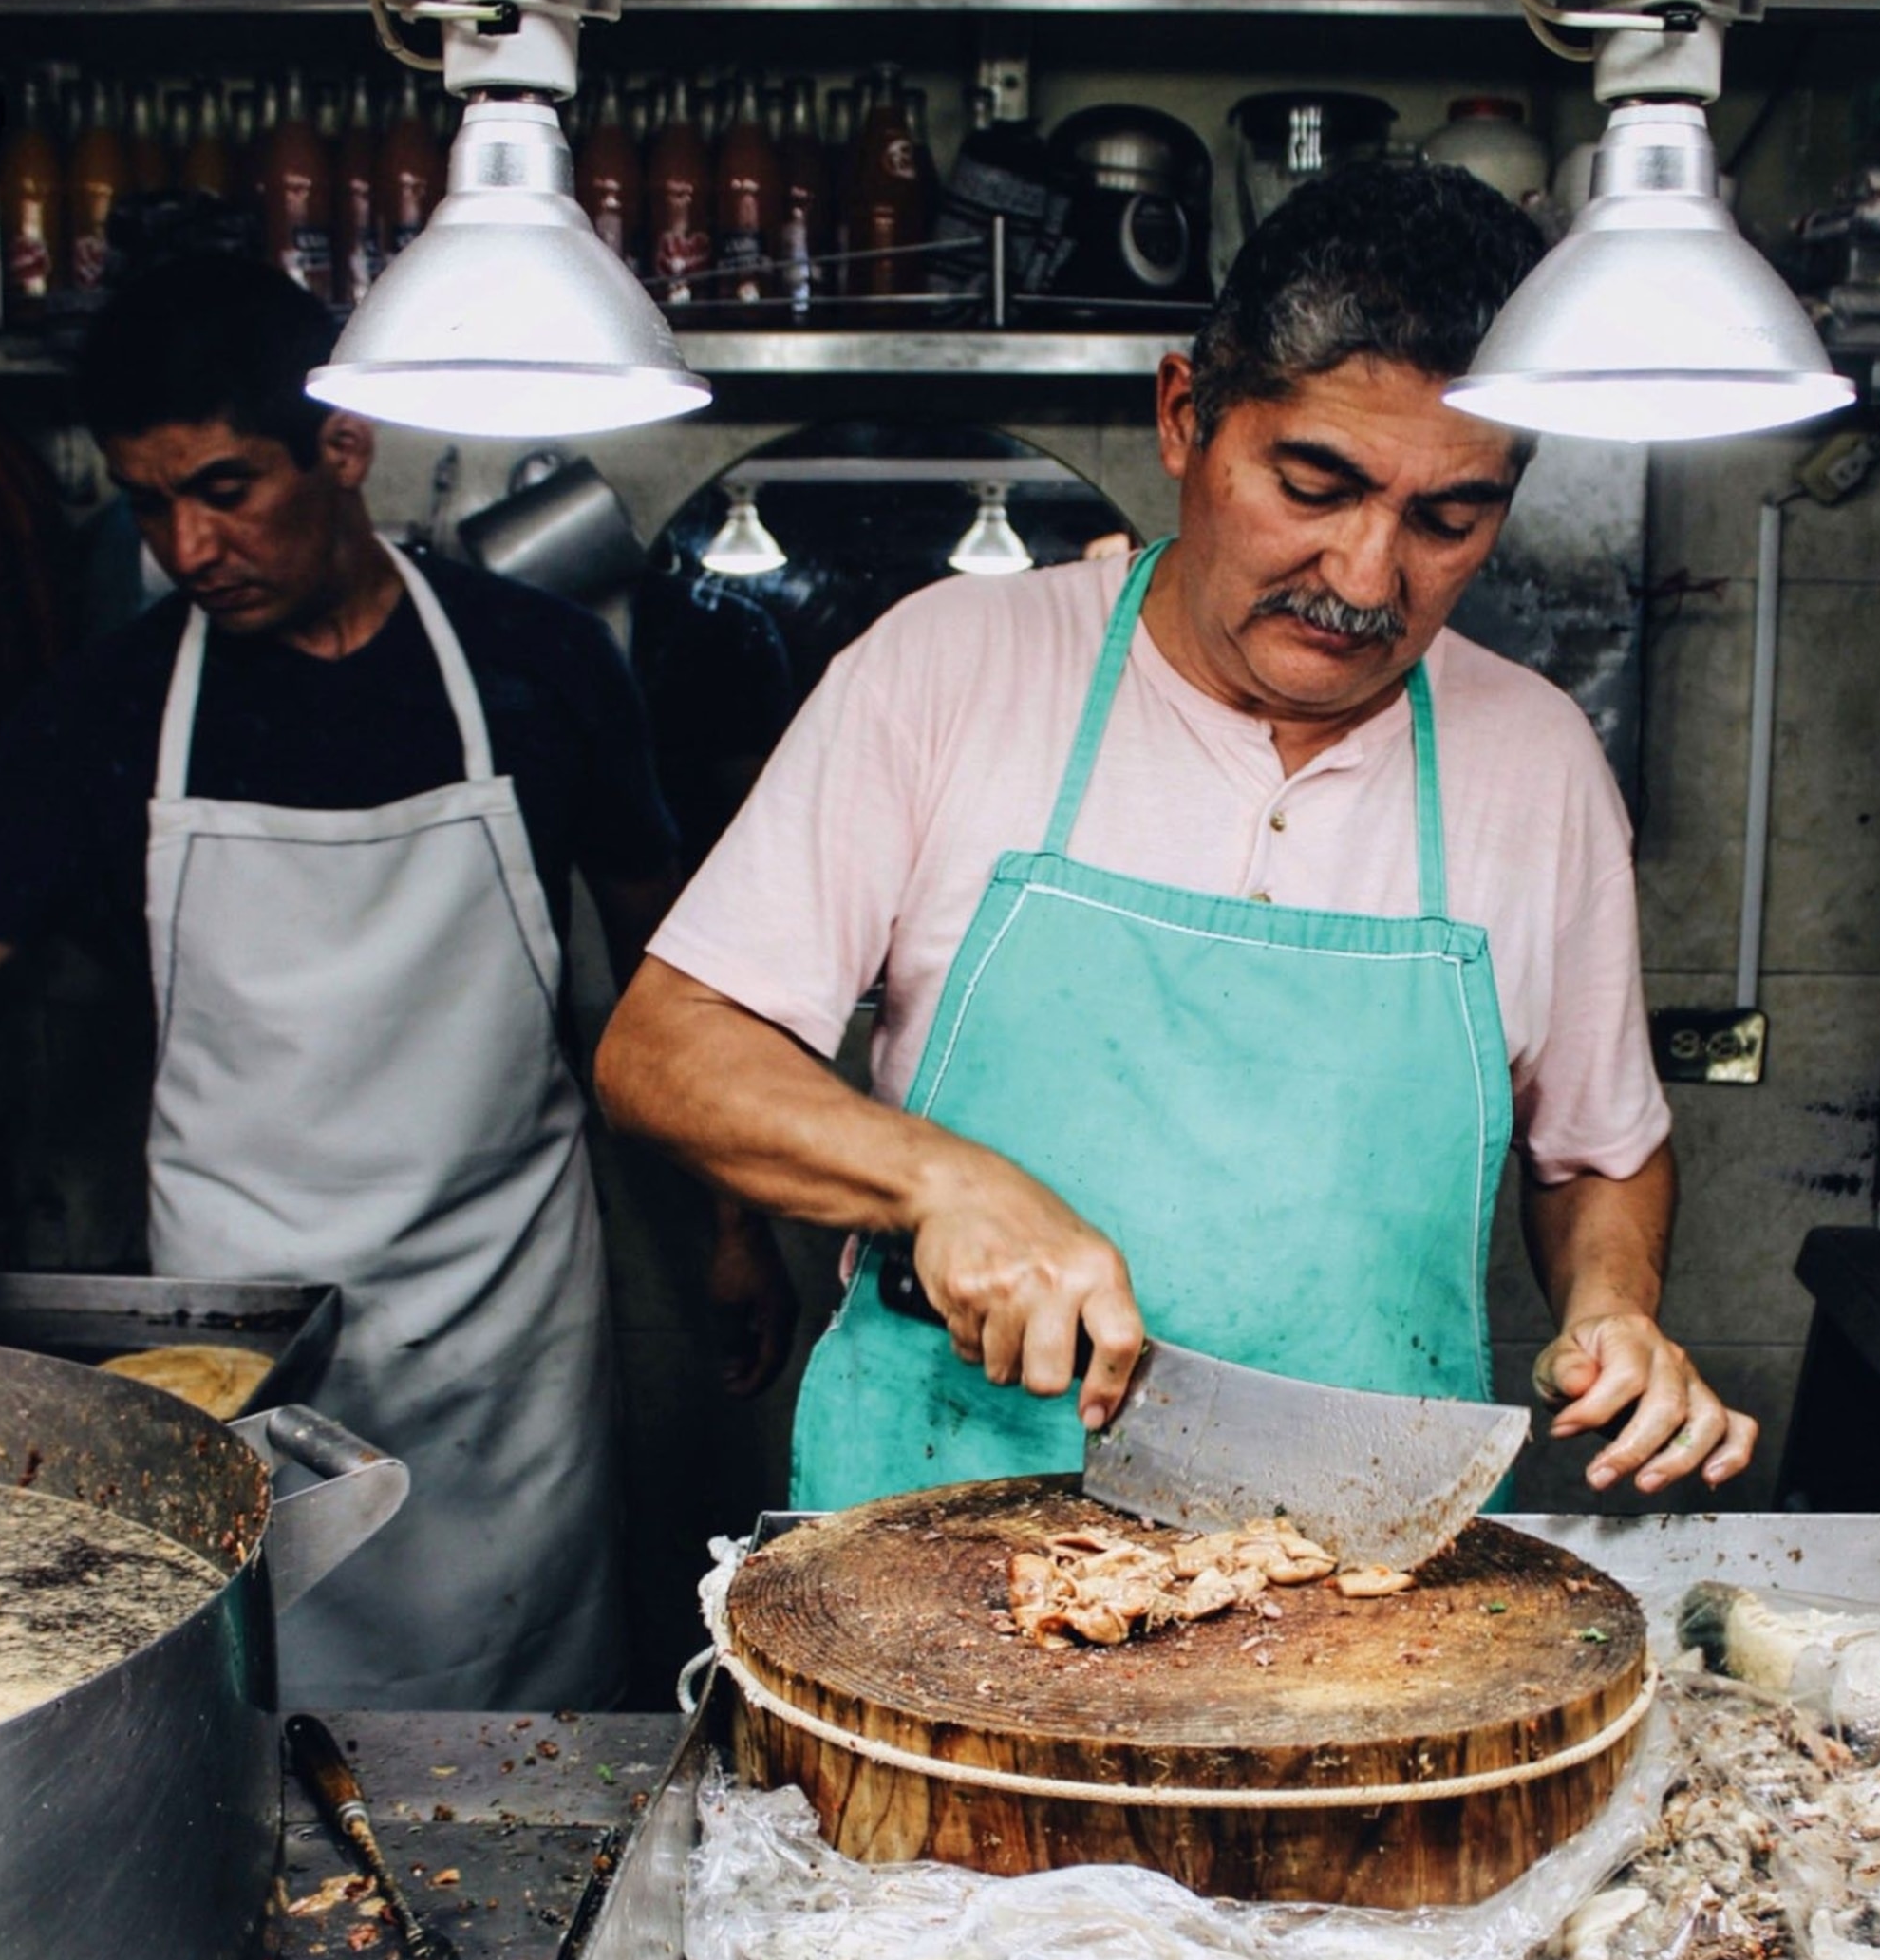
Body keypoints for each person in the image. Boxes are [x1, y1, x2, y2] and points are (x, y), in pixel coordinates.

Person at [596, 161, 1757, 1512]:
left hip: (1360, 1547)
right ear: (1183, 416)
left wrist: (1613, 1307)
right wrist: (935, 1180)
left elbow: (1602, 1148)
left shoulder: (1538, 760)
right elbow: (667, 1047)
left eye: (1449, 519)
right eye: (1315, 485)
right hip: (941, 1515)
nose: (1368, 578)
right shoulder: (948, 670)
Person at [0, 253, 793, 1704]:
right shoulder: (118, 704)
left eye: (224, 489)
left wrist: (735, 1226)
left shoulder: (535, 668)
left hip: (499, 1310)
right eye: (152, 505)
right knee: (255, 1705)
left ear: (343, 446)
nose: (187, 547)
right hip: (240, 1326)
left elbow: (674, 967)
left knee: (525, 1710)